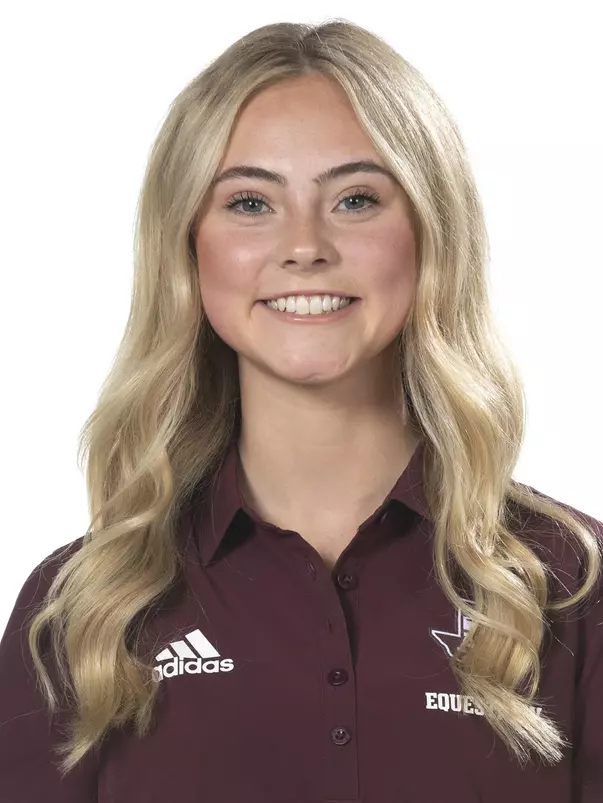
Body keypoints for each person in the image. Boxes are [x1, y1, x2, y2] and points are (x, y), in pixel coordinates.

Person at [0, 17, 601, 803]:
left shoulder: (569, 587)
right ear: (187, 247)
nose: (304, 245)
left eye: (355, 198)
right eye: (250, 202)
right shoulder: (78, 612)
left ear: (429, 235)